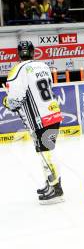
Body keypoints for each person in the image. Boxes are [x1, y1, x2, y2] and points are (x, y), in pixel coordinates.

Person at [5, 41, 64, 204]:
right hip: (53, 113)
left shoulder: (18, 69)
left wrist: (7, 103)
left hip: (39, 119)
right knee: (47, 152)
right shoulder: (43, 66)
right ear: (33, 52)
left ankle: (56, 189)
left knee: (46, 154)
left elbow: (16, 99)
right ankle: (51, 183)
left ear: (19, 53)